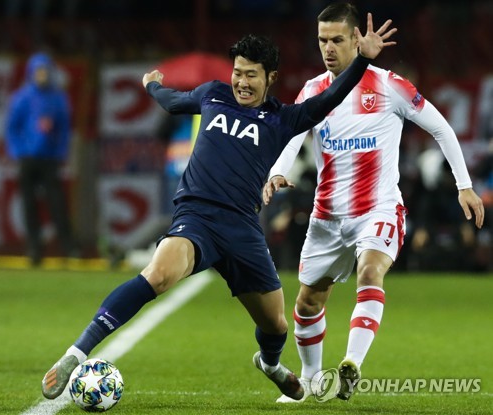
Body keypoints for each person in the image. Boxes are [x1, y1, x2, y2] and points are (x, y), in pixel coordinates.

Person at [41, 18, 396, 401]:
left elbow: (329, 99)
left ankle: (271, 364)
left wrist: (361, 61)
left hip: (243, 229)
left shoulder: (283, 119)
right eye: (237, 73)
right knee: (158, 274)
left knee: (276, 326)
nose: (241, 82)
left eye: (251, 75)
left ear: (270, 77)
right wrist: (152, 85)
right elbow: (173, 102)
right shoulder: (214, 94)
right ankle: (75, 353)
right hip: (197, 219)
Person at [262, 2, 485, 403]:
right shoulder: (314, 90)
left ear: (355, 40)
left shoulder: (389, 86)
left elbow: (441, 128)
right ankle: (311, 381)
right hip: (327, 217)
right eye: (321, 40)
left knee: (370, 271)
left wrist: (463, 184)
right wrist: (278, 171)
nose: (328, 48)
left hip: (378, 209)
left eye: (337, 40)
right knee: (309, 301)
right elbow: (292, 136)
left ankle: (351, 363)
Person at [5, 52, 76, 266]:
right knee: (29, 205)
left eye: (46, 71)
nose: (42, 75)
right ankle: (34, 249)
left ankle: (68, 247)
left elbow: (64, 128)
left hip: (49, 158)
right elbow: (12, 128)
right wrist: (18, 151)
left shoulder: (58, 98)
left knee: (57, 204)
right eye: (39, 71)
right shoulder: (22, 97)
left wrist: (61, 152)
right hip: (28, 158)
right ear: (31, 73)